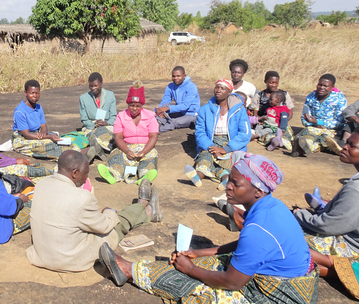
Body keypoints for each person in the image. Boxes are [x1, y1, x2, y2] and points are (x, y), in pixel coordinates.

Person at [99, 153, 319, 303]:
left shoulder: (259, 229)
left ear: (258, 190)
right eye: (229, 180)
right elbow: (246, 244)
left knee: (195, 287)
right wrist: (198, 253)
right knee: (205, 262)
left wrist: (190, 269)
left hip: (277, 295)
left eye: (236, 184)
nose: (228, 187)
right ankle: (137, 270)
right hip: (283, 277)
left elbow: (232, 282)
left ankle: (129, 271)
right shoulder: (270, 206)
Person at [26, 151, 161, 273]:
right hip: (70, 260)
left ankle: (143, 210)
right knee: (117, 223)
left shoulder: (41, 184)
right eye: (86, 174)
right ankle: (144, 207)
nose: (86, 179)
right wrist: (109, 213)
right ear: (75, 173)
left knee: (97, 219)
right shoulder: (82, 197)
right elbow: (104, 227)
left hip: (42, 255)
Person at [294, 125, 359, 278]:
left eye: (352, 145)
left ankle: (332, 268)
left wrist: (299, 214)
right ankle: (324, 208)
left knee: (289, 234)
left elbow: (329, 226)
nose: (344, 147)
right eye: (347, 142)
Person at [185, 79, 251, 188]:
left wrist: (225, 149)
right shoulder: (204, 110)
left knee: (227, 159)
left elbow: (245, 134)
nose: (218, 90)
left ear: (229, 92)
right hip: (211, 141)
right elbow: (200, 133)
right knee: (205, 156)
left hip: (231, 143)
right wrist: (212, 147)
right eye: (217, 87)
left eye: (222, 88)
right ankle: (197, 176)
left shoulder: (239, 110)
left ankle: (225, 179)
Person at [97, 81, 159, 184]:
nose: (134, 108)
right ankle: (112, 175)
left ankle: (144, 177)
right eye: (131, 105)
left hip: (145, 147)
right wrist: (126, 151)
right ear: (128, 104)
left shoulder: (150, 116)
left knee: (151, 155)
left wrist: (143, 152)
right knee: (117, 155)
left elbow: (153, 136)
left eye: (138, 106)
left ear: (142, 105)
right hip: (126, 146)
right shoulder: (121, 116)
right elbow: (118, 138)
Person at [291, 74, 347, 157]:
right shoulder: (311, 97)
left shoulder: (340, 99)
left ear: (332, 87)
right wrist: (314, 124)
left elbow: (341, 123)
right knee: (311, 136)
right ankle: (303, 147)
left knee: (324, 137)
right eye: (320, 84)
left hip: (330, 130)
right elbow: (304, 117)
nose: (321, 87)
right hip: (313, 128)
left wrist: (319, 122)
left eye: (325, 86)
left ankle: (301, 148)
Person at [12, 79, 67, 160]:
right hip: (23, 139)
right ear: (25, 93)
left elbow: (44, 126)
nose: (35, 96)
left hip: (37, 135)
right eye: (32, 93)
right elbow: (26, 135)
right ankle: (66, 158)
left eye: (37, 93)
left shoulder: (39, 107)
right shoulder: (20, 112)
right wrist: (47, 137)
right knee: (46, 146)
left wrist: (43, 133)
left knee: (57, 141)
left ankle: (71, 154)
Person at [79, 72, 118, 161]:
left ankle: (97, 147)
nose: (93, 88)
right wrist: (93, 125)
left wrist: (106, 123)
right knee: (91, 134)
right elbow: (84, 119)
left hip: (107, 125)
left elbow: (113, 116)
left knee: (111, 135)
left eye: (96, 86)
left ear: (101, 84)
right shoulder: (83, 98)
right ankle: (98, 147)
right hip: (91, 126)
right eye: (91, 86)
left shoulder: (110, 95)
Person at [154, 66, 200, 132]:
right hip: (179, 112)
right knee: (164, 105)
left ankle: (154, 131)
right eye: (173, 76)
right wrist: (158, 110)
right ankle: (157, 122)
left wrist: (167, 108)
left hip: (191, 114)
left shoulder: (191, 87)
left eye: (178, 76)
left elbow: (185, 106)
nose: (176, 78)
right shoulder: (170, 86)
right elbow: (165, 100)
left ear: (184, 76)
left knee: (175, 122)